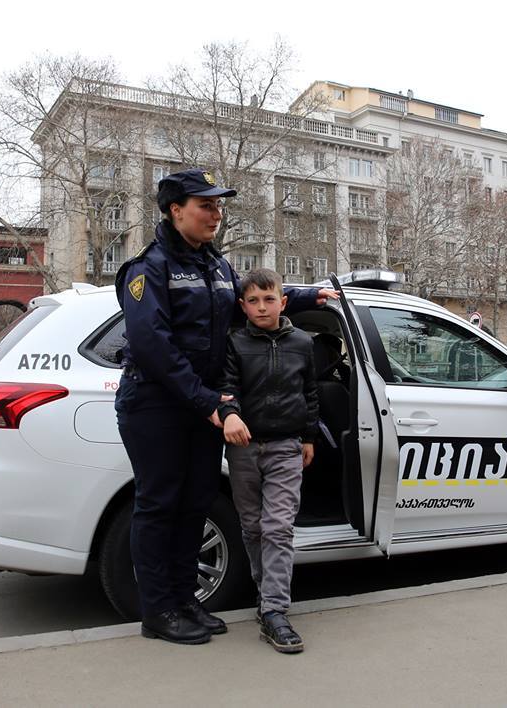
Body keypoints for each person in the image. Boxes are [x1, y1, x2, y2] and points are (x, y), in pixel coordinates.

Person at [114, 169, 336, 645]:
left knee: (195, 504)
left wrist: (301, 296)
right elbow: (153, 346)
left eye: (218, 206)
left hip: (202, 408)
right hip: (157, 404)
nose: (216, 214)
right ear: (176, 211)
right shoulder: (147, 268)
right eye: (205, 205)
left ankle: (184, 599)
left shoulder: (213, 265)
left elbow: (245, 301)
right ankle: (158, 611)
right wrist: (207, 401)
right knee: (159, 506)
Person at [218, 268, 318, 654]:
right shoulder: (235, 343)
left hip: (286, 447)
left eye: (269, 299)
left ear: (283, 302)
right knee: (253, 527)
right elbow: (227, 387)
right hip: (244, 448)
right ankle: (266, 597)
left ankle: (276, 611)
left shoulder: (303, 343)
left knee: (278, 527)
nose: (262, 307)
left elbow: (310, 393)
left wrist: (308, 437)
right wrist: (230, 414)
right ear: (242, 306)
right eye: (254, 301)